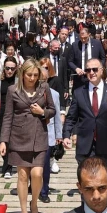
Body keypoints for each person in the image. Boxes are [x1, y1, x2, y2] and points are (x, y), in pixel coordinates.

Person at [0, 59, 55, 213]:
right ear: (22, 74)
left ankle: (35, 203)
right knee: (22, 176)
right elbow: (7, 116)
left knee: (37, 174)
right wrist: (3, 140)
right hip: (19, 137)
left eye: (35, 75)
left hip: (39, 135)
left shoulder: (44, 88)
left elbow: (52, 109)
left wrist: (42, 112)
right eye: (29, 75)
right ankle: (24, 212)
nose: (32, 78)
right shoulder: (12, 90)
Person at [63, 58, 107, 165]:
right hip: (84, 143)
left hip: (105, 143)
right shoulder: (79, 92)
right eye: (88, 70)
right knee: (86, 178)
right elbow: (71, 117)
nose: (91, 73)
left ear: (102, 70)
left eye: (95, 69)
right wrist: (66, 135)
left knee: (102, 179)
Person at [38, 59, 63, 204]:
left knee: (46, 163)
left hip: (49, 133)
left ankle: (44, 190)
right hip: (33, 133)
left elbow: (58, 115)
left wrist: (59, 135)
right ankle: (33, 184)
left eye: (44, 79)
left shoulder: (54, 94)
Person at [0, 58, 19, 179]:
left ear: (16, 69)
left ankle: (7, 168)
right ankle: (8, 161)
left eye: (12, 68)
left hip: (14, 113)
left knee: (8, 141)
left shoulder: (19, 81)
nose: (9, 71)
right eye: (7, 68)